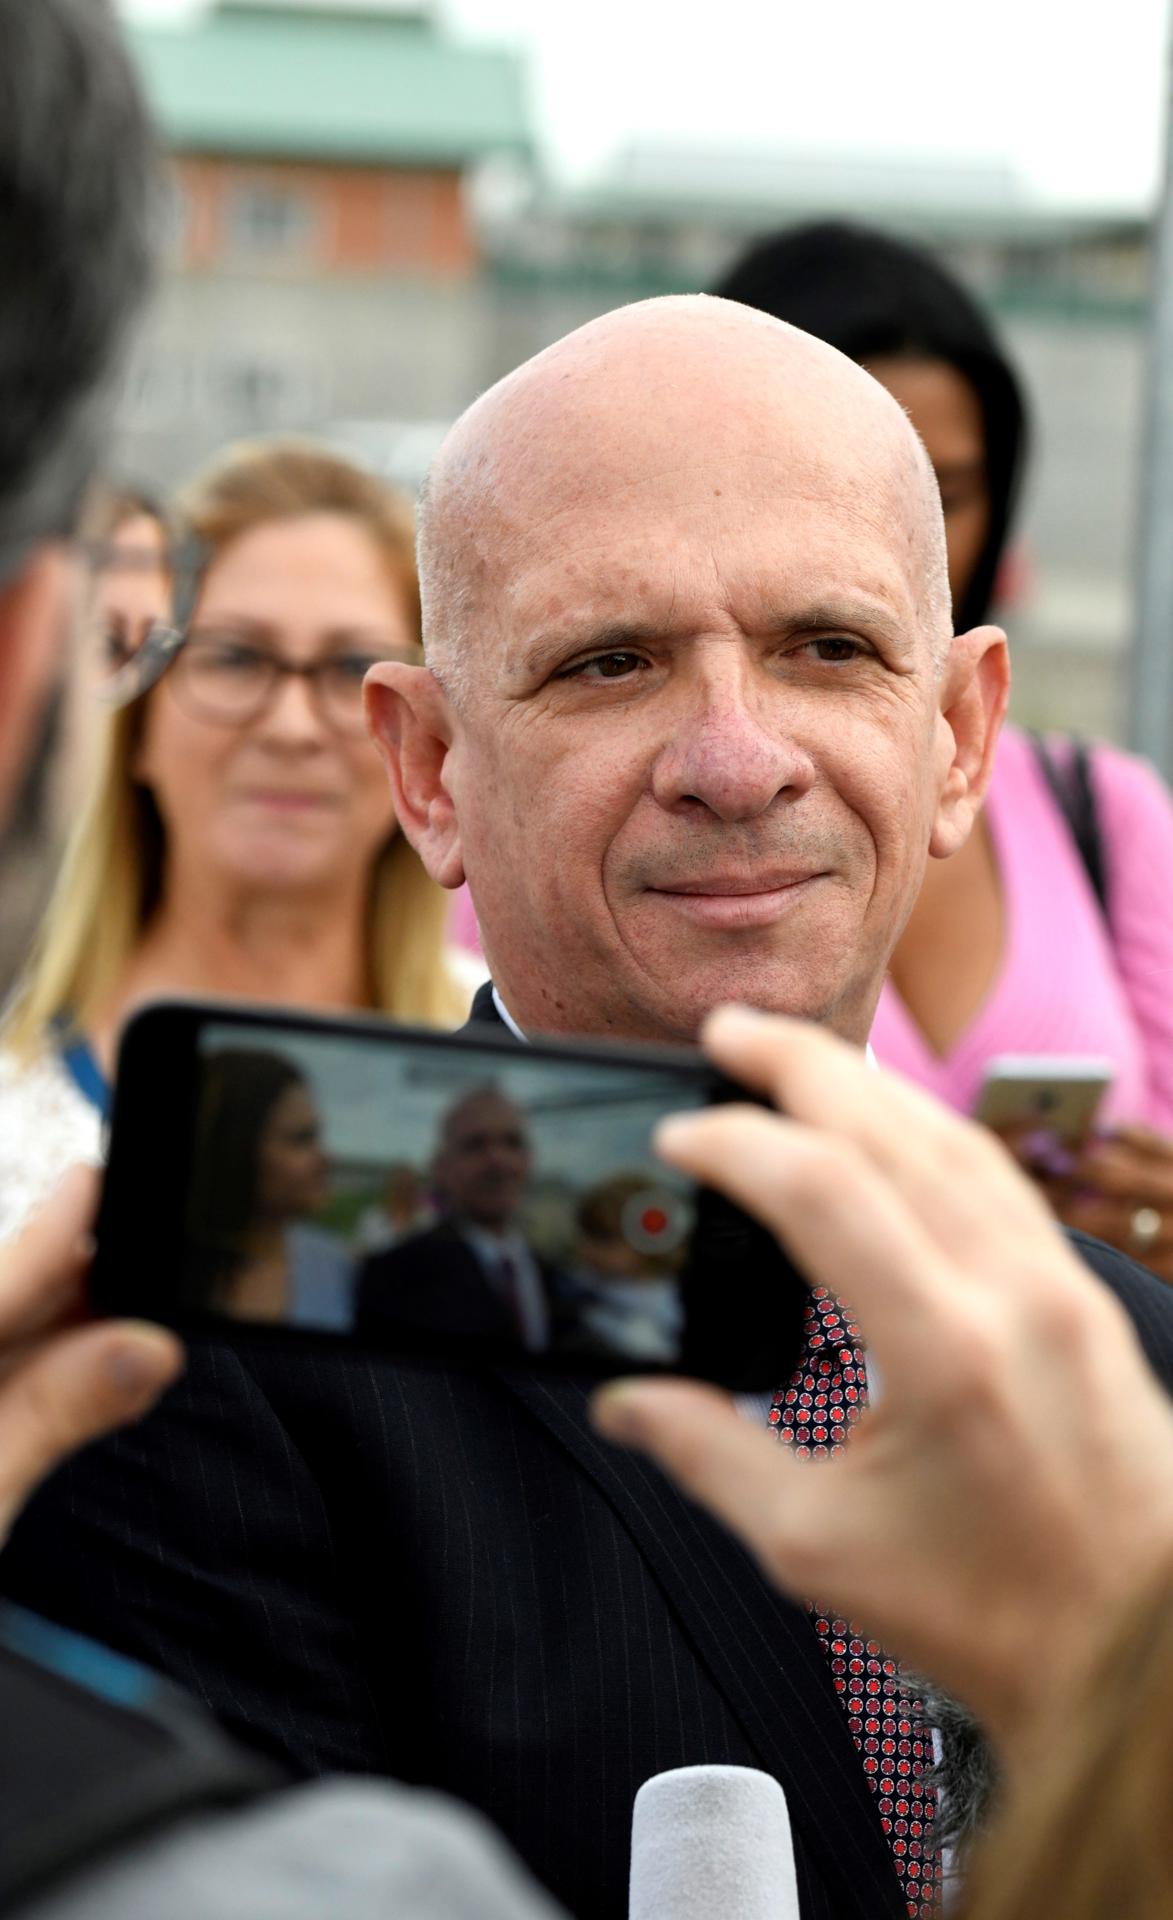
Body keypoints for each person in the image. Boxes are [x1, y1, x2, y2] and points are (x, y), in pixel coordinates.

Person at [7, 295, 1173, 1920]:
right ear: (429, 772)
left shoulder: (1121, 1369)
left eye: (824, 648)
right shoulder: (206, 1381)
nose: (732, 755)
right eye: (608, 662)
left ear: (961, 736)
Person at [592, 1005, 1173, 1920]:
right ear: (437, 845)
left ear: (944, 844)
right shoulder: (317, 1353)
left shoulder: (1130, 1334)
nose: (746, 847)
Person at [713, 222, 1173, 1285]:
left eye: (945, 492)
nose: (897, 534)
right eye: (840, 484)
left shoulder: (1104, 811)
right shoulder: (602, 812)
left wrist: (1142, 1238)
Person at [0, 437, 472, 1246]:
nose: (289, 727)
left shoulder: (509, 1065)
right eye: (232, 657)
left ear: (418, 736)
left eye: (351, 667)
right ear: (138, 722)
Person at [356, 1086, 562, 1354]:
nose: (498, 1161)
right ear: (441, 1167)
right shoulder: (392, 1277)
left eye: (513, 1142)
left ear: (530, 1159)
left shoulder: (558, 1279)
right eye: (476, 1145)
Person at [185, 1050, 353, 1332]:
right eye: (300, 1139)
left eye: (316, 1136)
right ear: (235, 1151)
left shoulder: (335, 1266)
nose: (325, 1159)